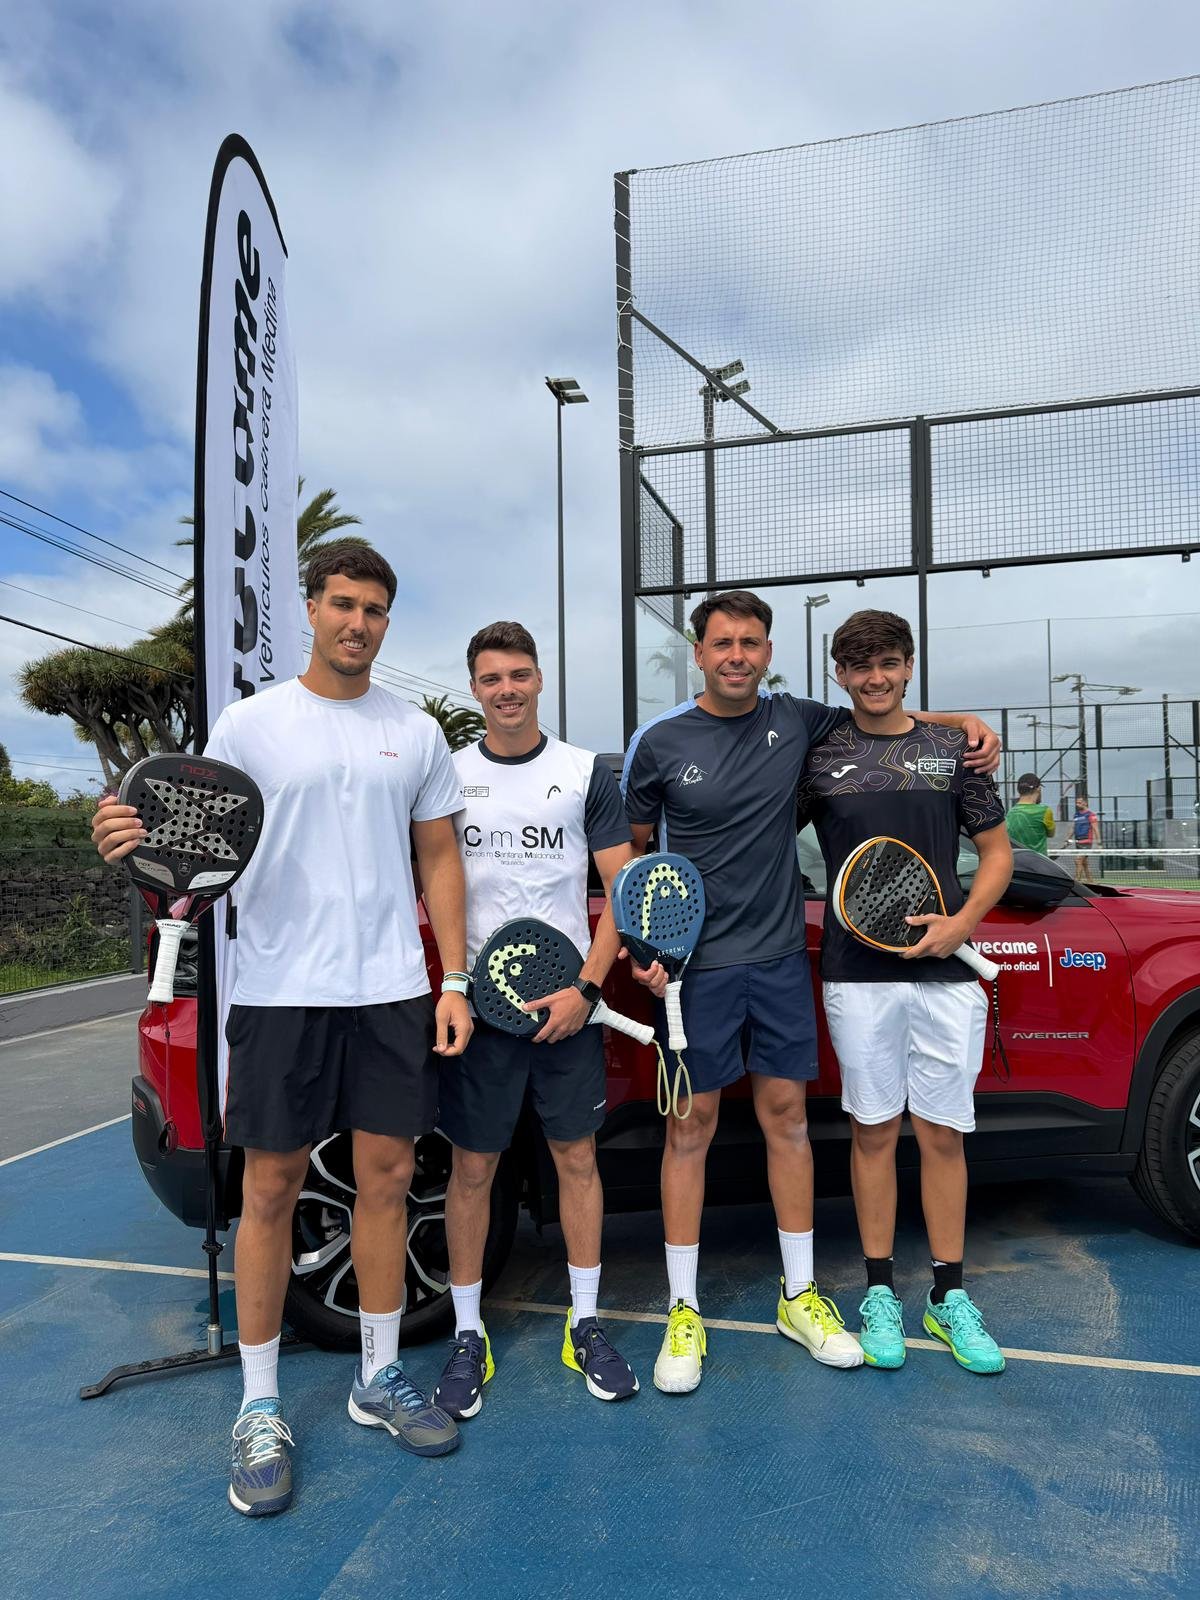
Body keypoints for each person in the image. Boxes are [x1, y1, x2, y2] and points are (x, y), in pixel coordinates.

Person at [92, 543, 471, 1517]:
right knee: (269, 1188)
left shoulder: (415, 730)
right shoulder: (251, 725)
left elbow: (438, 861)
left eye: (375, 608)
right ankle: (260, 1405)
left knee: (387, 1181)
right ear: (311, 608)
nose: (358, 622)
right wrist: (127, 838)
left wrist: (454, 977)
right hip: (278, 990)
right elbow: (185, 838)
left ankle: (378, 1377)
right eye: (342, 603)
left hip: (388, 987)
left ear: (388, 620)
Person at [620, 589, 1001, 1394]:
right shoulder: (656, 742)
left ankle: (800, 1296)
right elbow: (630, 858)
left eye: (750, 642)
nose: (736, 655)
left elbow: (885, 712)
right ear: (699, 651)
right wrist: (640, 945)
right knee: (690, 1127)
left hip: (782, 959)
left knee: (788, 1119)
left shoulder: (799, 721)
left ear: (768, 652)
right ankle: (683, 1309)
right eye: (721, 642)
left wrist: (966, 722)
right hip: (694, 968)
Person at [433, 622, 645, 1419]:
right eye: (492, 679)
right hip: (482, 1015)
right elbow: (435, 879)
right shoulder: (448, 777)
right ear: (475, 688)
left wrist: (588, 991)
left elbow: (621, 891)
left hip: (567, 1011)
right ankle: (466, 1333)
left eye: (520, 674)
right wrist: (458, 984)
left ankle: (584, 1323)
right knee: (473, 1170)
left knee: (576, 1161)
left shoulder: (584, 772)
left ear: (540, 680)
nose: (508, 689)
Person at [797, 609, 1013, 1376]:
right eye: (859, 667)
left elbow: (996, 855)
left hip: (946, 973)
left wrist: (963, 924)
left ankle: (948, 1297)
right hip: (858, 975)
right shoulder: (820, 753)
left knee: (943, 1134)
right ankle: (881, 1291)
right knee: (873, 1133)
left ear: (909, 664)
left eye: (888, 663)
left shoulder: (951, 749)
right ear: (839, 674)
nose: (875, 678)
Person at [1005, 773, 1055, 855]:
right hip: (1039, 863)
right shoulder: (1045, 811)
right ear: (1038, 789)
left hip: (1018, 863)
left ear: (1019, 791)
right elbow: (1051, 834)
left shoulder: (1010, 813)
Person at [1071, 793, 1101, 882]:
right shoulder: (1076, 815)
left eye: (1079, 802)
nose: (1077, 804)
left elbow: (1096, 829)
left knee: (1078, 860)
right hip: (1078, 842)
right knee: (1084, 863)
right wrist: (1066, 839)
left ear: (1085, 803)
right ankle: (1090, 881)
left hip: (1087, 842)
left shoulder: (1091, 815)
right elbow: (1073, 827)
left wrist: (1099, 843)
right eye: (1076, 803)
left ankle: (1076, 882)